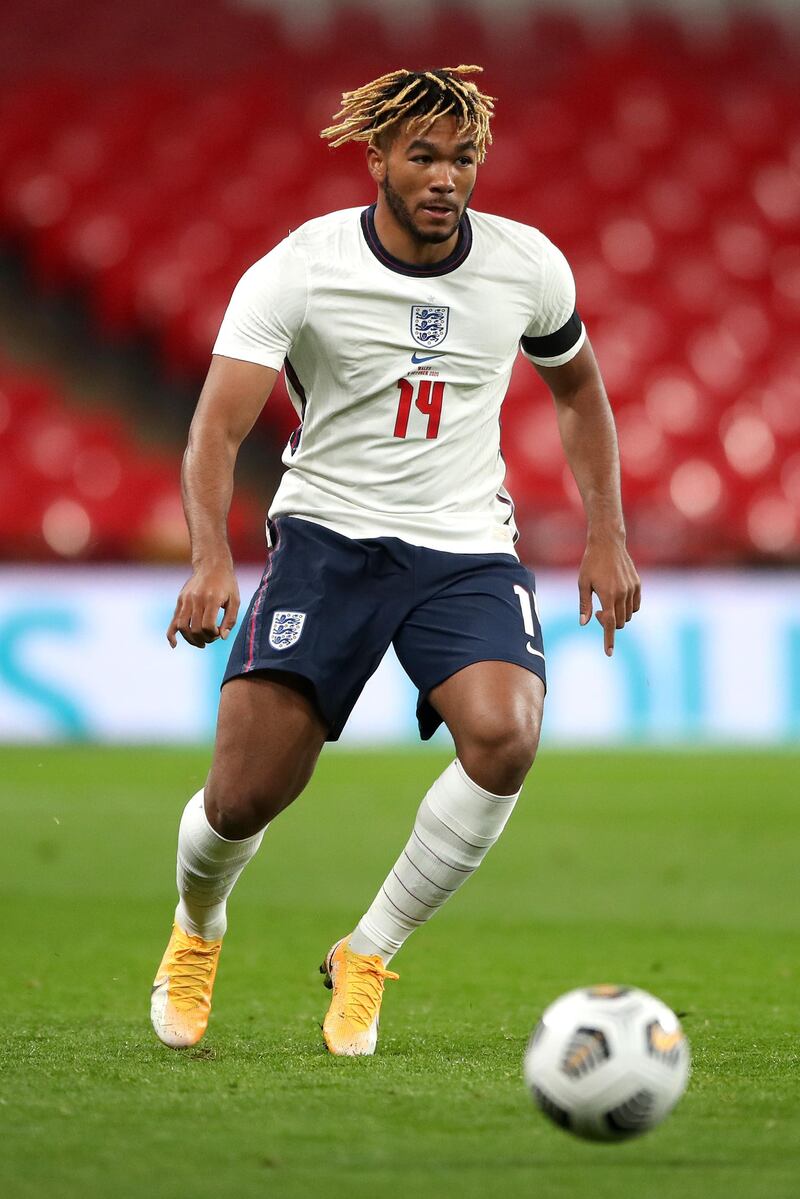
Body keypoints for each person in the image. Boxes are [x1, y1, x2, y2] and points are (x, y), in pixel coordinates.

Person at [151, 65, 641, 1057]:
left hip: (463, 546)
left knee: (505, 736)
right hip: (327, 539)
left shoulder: (524, 265)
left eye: (462, 157)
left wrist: (604, 532)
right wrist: (210, 557)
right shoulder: (302, 267)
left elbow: (579, 390)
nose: (444, 176)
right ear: (375, 158)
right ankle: (197, 930)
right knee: (244, 796)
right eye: (422, 155)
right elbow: (215, 428)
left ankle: (368, 950)